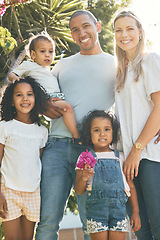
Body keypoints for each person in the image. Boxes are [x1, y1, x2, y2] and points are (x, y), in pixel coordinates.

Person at [35, 10, 116, 240]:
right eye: (75, 29)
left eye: (86, 26)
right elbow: (46, 101)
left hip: (92, 151)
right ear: (71, 35)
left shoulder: (115, 63)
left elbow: (131, 100)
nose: (82, 33)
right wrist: (45, 106)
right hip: (57, 148)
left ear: (98, 26)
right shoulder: (62, 65)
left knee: (92, 224)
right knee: (47, 222)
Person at [114, 10, 160, 240]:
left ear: (140, 32)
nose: (124, 35)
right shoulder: (121, 72)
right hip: (130, 160)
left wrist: (137, 149)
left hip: (150, 155)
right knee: (142, 231)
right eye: (119, 30)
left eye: (130, 28)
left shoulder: (149, 60)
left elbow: (159, 107)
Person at [74, 110, 141, 240]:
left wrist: (136, 212)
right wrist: (84, 178)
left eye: (107, 129)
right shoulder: (85, 157)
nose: (102, 134)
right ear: (89, 133)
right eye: (96, 130)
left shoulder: (121, 157)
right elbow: (79, 190)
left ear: (113, 132)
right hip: (96, 213)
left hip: (119, 212)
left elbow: (131, 187)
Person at [0, 76, 48, 239]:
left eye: (29, 94)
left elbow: (38, 162)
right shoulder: (4, 127)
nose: (25, 98)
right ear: (12, 101)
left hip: (33, 191)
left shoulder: (42, 131)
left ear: (36, 99)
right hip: (8, 191)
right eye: (19, 95)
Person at [8, 33, 79, 138]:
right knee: (68, 108)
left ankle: (69, 132)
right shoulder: (29, 65)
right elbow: (11, 74)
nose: (47, 55)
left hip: (54, 98)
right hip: (47, 98)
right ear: (33, 54)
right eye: (42, 51)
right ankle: (76, 135)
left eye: (51, 51)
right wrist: (16, 79)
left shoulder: (47, 69)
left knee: (66, 110)